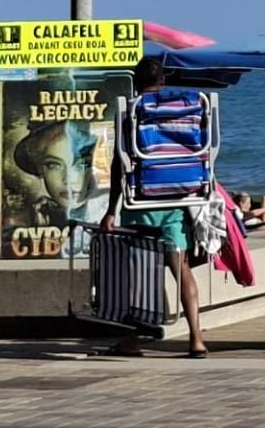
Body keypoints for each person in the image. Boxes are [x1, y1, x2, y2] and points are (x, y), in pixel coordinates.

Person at [100, 56, 208, 359]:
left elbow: (120, 164)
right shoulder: (186, 107)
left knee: (138, 272)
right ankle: (196, 338)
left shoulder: (133, 111)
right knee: (181, 269)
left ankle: (132, 339)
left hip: (142, 200)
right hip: (177, 198)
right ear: (163, 80)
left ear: (135, 81)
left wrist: (111, 209)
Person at [13, 121, 105, 229]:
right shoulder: (35, 215)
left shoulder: (109, 210)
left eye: (83, 165)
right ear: (39, 168)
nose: (68, 179)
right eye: (53, 165)